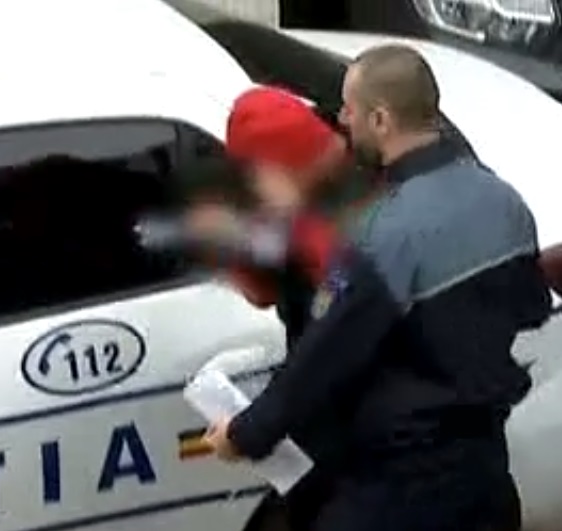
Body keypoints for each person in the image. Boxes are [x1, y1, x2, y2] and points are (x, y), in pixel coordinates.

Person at [203, 44, 550, 531]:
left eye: (350, 108)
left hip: (397, 491)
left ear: (381, 119)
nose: (341, 120)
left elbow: (326, 354)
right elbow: (531, 306)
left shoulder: (380, 234)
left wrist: (244, 434)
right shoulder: (503, 201)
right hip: (485, 477)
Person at [184, 86, 385, 531]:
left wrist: (247, 433)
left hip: (373, 451)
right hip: (337, 441)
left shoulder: (357, 219)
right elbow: (268, 292)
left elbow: (328, 346)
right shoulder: (303, 205)